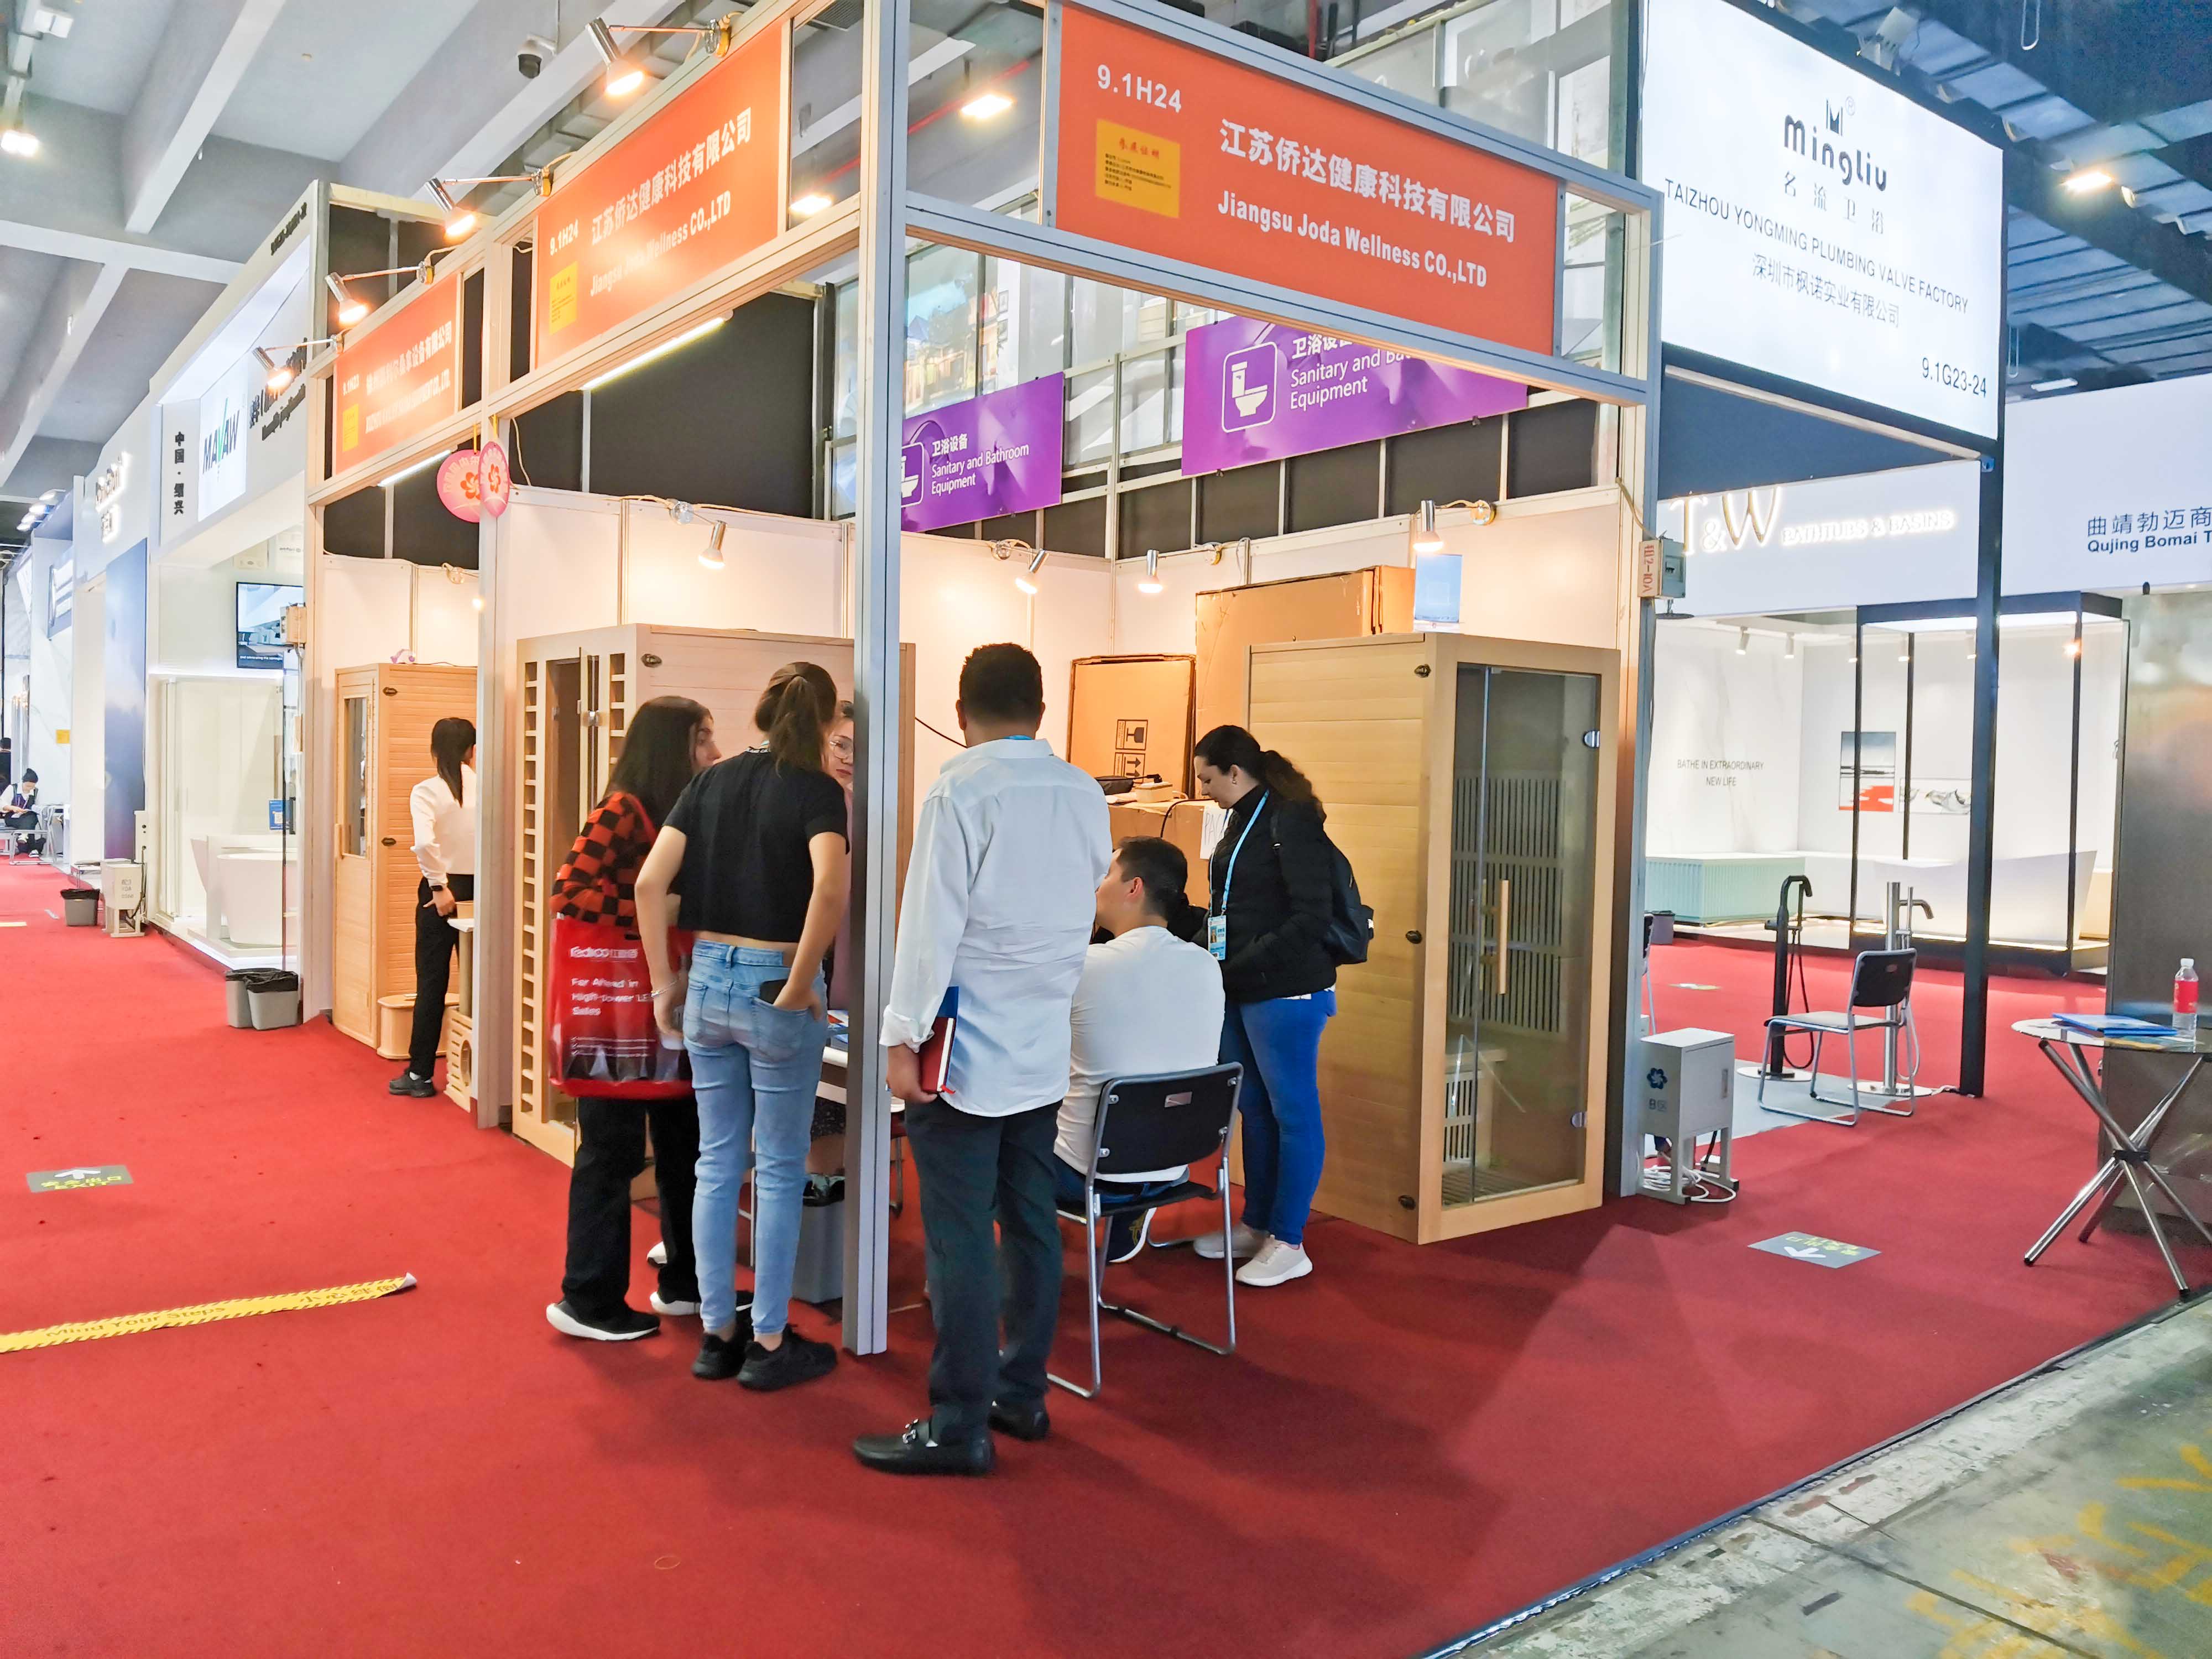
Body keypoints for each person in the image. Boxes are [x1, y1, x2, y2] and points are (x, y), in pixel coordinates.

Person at [854, 644, 1110, 1478]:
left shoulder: (960, 789)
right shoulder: (1083, 791)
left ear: (960, 714)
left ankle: (959, 1421)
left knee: (959, 1234)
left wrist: (899, 1036)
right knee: (1031, 1222)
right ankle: (1021, 1392)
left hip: (961, 1049)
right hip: (1041, 1042)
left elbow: (929, 928)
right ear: (1042, 710)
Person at [636, 662, 847, 1393]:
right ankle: (769, 1339)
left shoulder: (710, 782)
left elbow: (648, 883)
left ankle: (717, 1332)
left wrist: (664, 982)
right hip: (773, 980)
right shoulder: (816, 789)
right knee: (782, 1167)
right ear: (825, 722)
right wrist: (802, 979)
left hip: (706, 978)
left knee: (717, 1161)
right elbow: (830, 885)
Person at [545, 696, 719, 1343]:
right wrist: (653, 910)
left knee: (685, 1147)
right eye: (703, 739)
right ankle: (587, 1298)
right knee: (612, 1153)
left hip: (664, 1005)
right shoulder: (622, 809)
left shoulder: (685, 807)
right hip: (615, 1011)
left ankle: (686, 1282)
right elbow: (570, 892)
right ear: (672, 745)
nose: (715, 752)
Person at [1190, 724, 1335, 1288]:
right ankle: (1258, 1223)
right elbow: (1230, 906)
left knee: (1292, 1112)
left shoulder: (1289, 818)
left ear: (1235, 771)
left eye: (1207, 778)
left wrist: (1242, 964)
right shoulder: (1237, 818)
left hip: (1286, 989)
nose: (1203, 790)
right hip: (1241, 985)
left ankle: (1289, 1240)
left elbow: (1311, 917)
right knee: (1252, 1106)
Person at [1053, 837, 1225, 1265]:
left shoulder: (1086, 967)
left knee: (984, 1138)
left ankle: (1020, 1257)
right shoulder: (1207, 966)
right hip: (1175, 1164)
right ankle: (1129, 1213)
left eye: (1106, 875)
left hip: (1083, 1173)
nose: (1096, 885)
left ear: (1134, 887)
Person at [389, 718, 476, 1098]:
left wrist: (439, 886)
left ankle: (420, 1074)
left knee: (432, 983)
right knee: (482, 981)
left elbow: (425, 844)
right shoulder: (488, 787)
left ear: (435, 750)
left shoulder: (427, 790)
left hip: (442, 890)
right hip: (483, 888)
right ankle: (484, 1074)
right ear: (472, 749)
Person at [808, 702, 857, 1182]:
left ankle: (828, 1189)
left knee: (835, 1091)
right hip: (802, 953)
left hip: (845, 955)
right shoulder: (806, 798)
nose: (848, 758)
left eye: (860, 750)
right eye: (841, 744)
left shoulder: (862, 808)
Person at [4, 768, 40, 854]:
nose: (30, 789)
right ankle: (32, 846)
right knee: (30, 822)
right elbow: (2, 805)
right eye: (28, 786)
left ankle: (24, 838)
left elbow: (37, 807)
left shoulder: (35, 791)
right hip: (12, 817)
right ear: (23, 782)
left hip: (27, 817)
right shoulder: (12, 788)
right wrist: (14, 808)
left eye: (32, 787)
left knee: (32, 817)